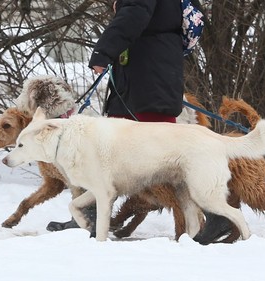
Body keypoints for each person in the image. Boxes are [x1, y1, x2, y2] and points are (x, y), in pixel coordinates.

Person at [47, 0, 184, 233]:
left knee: (163, 157)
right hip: (151, 75)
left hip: (146, 80)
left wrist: (103, 51)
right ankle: (89, 214)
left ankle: (214, 211)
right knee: (116, 151)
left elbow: (134, 13)